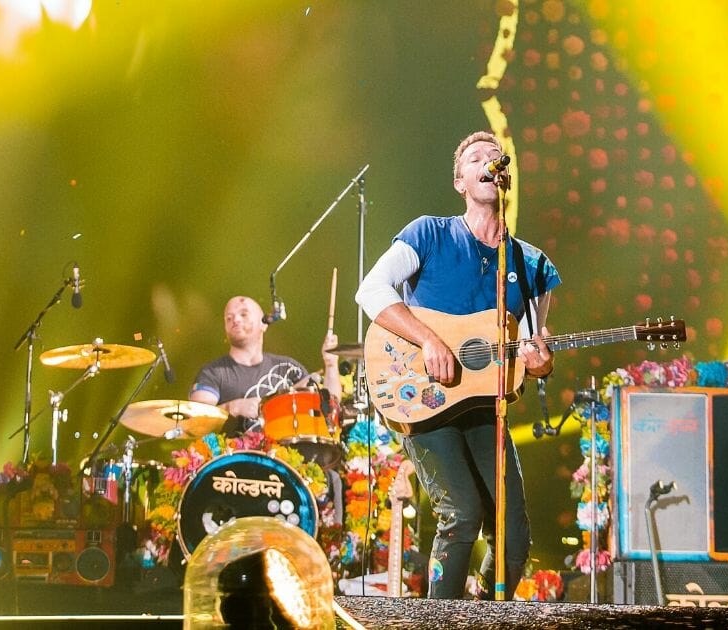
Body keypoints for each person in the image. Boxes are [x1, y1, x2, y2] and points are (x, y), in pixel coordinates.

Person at [355, 131, 560, 599]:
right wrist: (429, 340)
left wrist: (540, 363)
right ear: (460, 182)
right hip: (424, 397)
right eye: (475, 158)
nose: (488, 161)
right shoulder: (429, 232)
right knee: (462, 513)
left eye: (495, 156)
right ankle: (440, 619)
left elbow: (532, 349)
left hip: (487, 405)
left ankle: (482, 611)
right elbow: (371, 291)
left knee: (513, 536)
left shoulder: (530, 264)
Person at [189, 295, 340, 436]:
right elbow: (195, 420)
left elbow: (330, 409)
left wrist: (331, 364)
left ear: (264, 324)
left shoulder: (288, 368)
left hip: (286, 458)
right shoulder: (213, 372)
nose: (235, 319)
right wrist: (233, 407)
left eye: (243, 314)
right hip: (237, 459)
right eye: (229, 318)